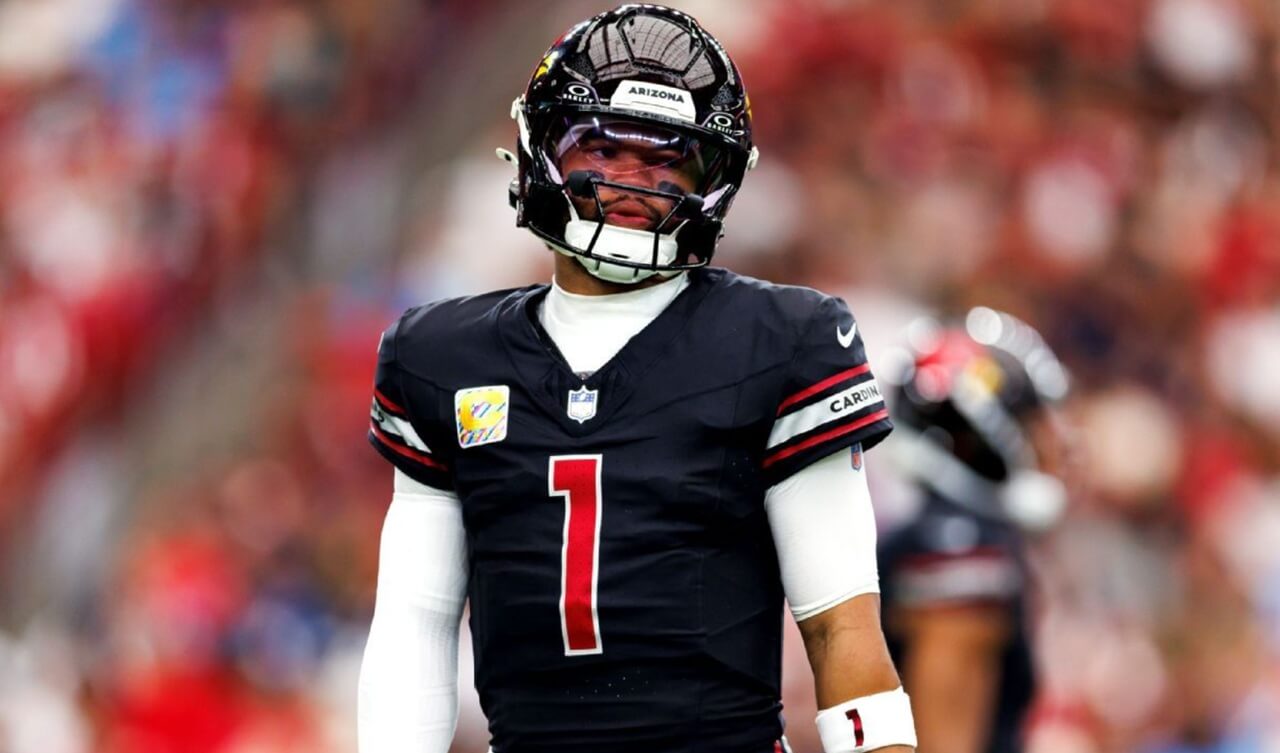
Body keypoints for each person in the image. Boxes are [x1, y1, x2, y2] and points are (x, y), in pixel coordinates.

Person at [357, 6, 917, 753]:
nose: (631, 182)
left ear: (712, 178)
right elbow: (414, 622)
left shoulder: (783, 341)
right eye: (602, 149)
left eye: (666, 161)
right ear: (540, 150)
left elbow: (841, 621)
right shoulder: (444, 355)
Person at [877, 308, 1074, 753]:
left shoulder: (943, 535)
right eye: (1031, 420)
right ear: (980, 427)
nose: (1054, 440)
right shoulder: (962, 551)